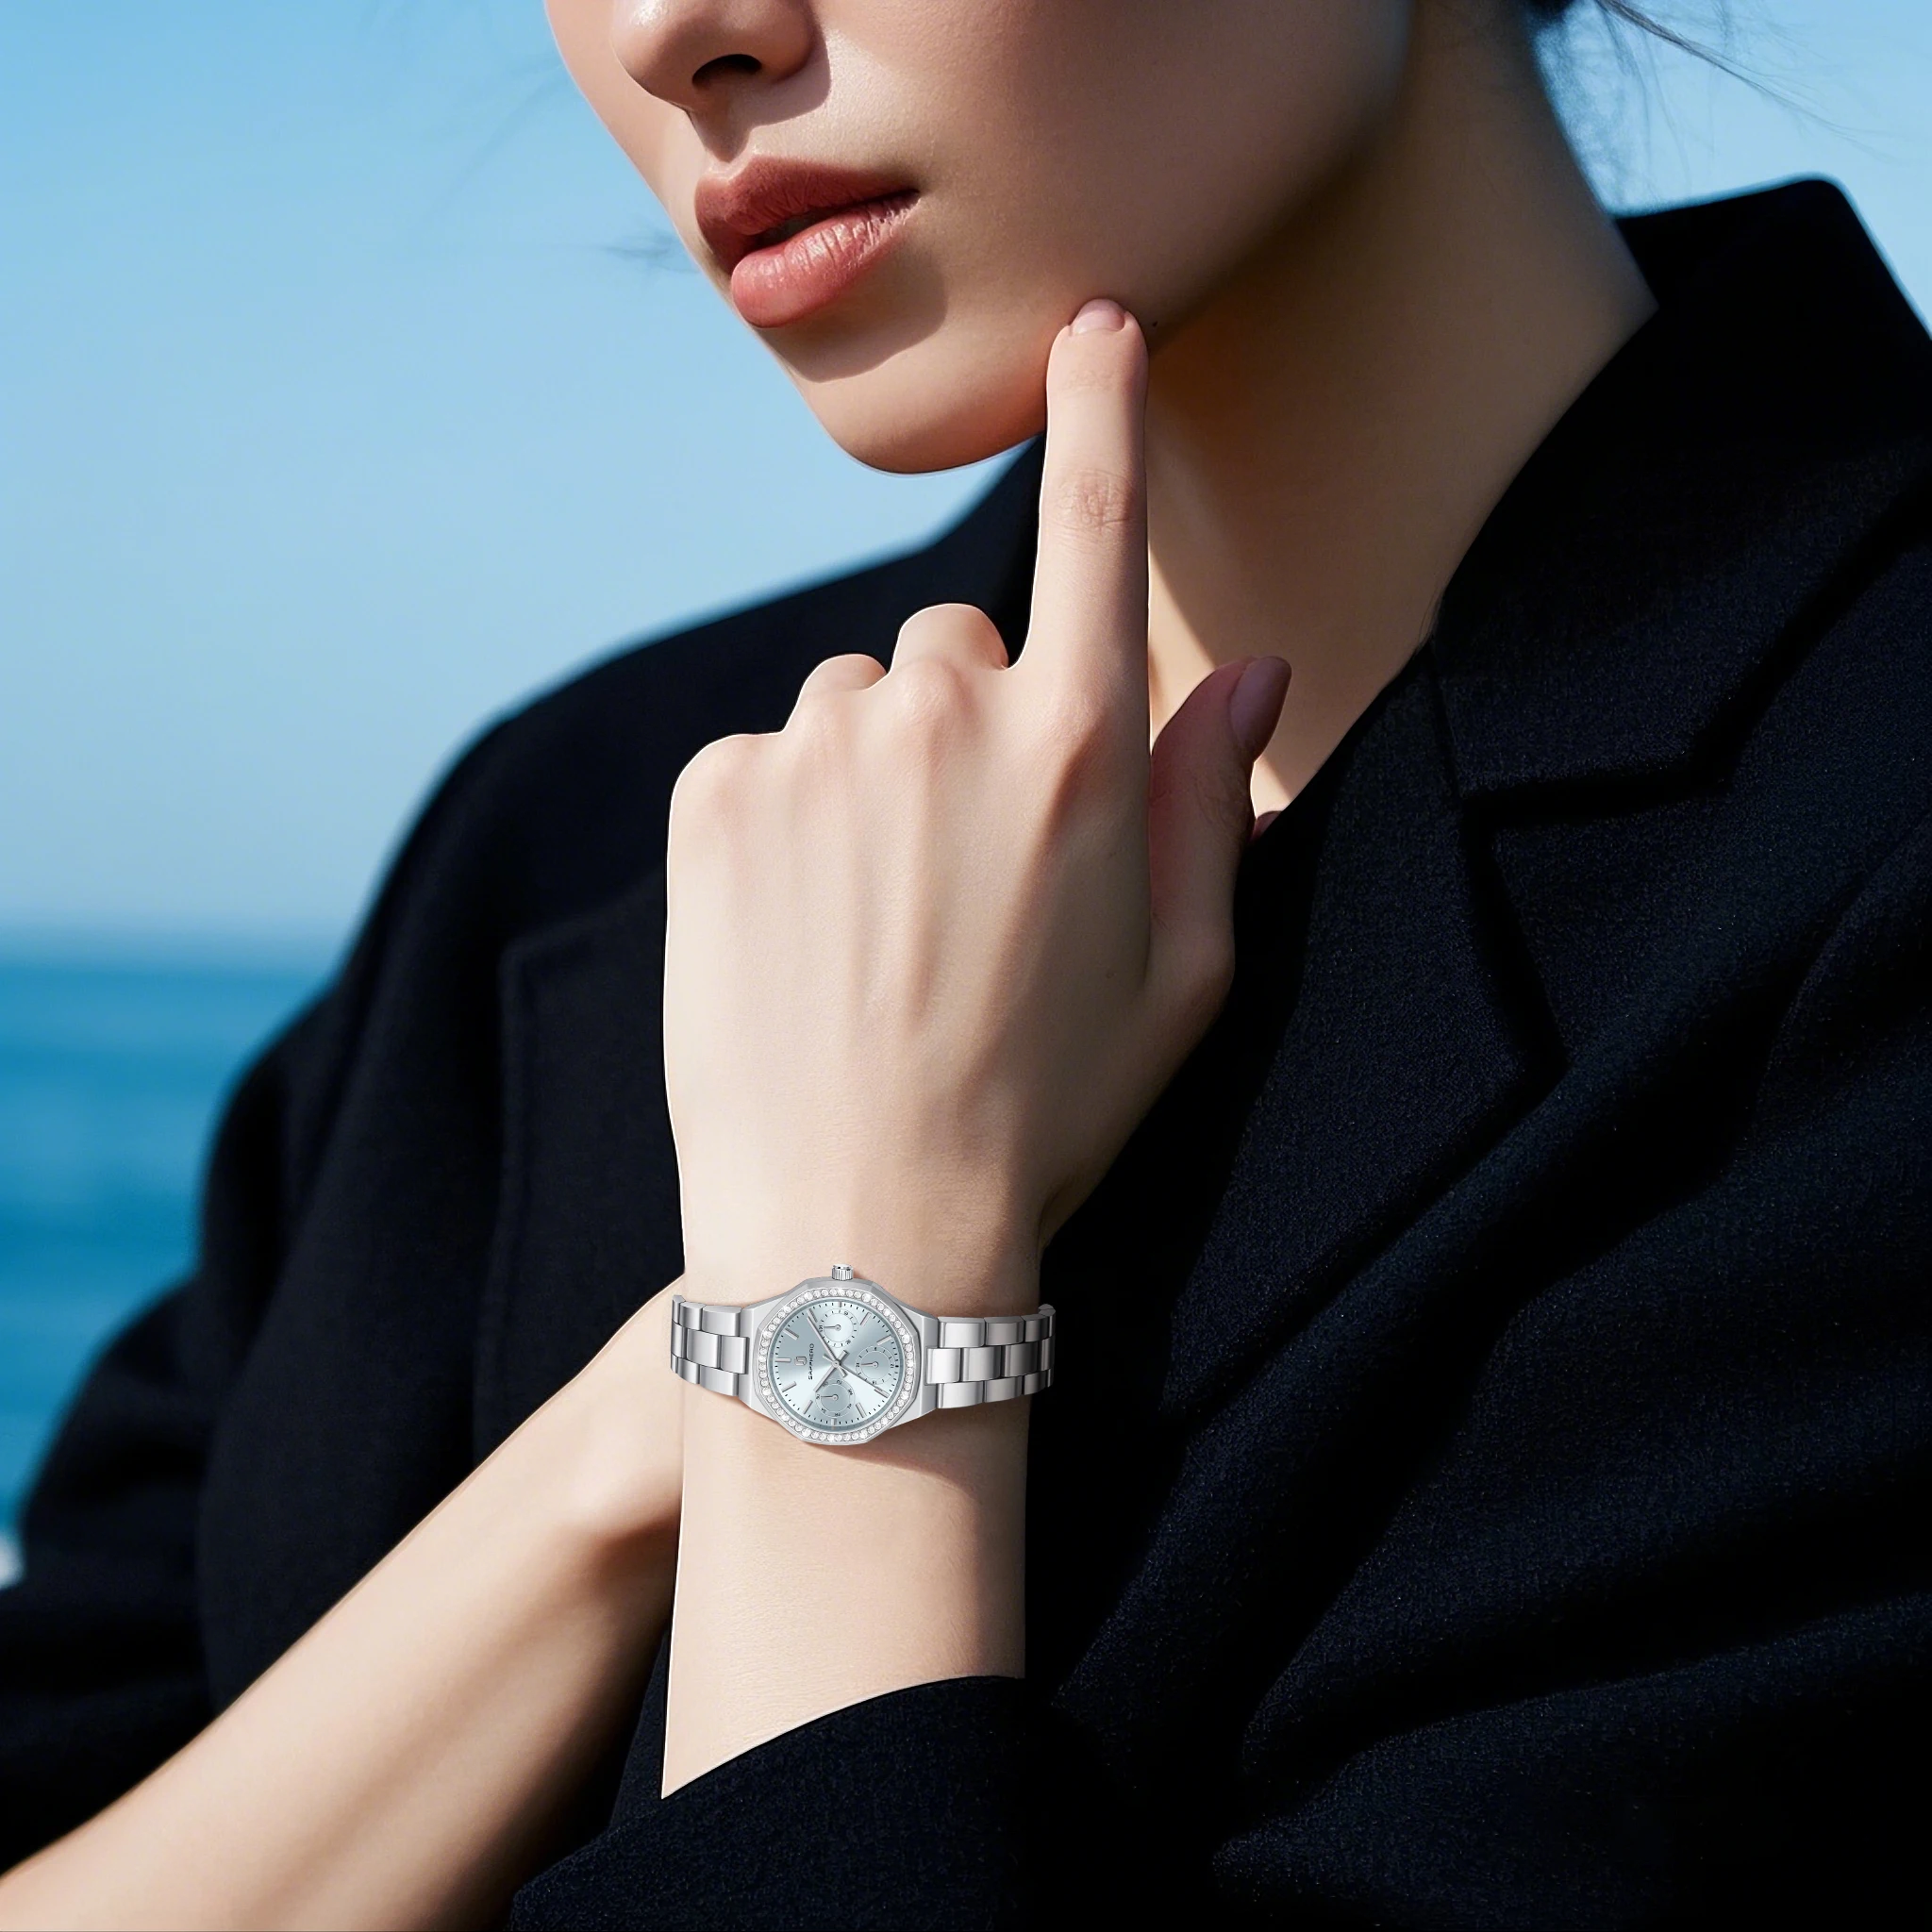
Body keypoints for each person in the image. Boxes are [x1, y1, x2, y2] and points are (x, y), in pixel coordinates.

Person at [2, 0, 1928, 1924]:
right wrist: (649, 1426)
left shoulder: (1862, 894)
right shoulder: (577, 824)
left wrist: (855, 1337)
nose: (677, 29)